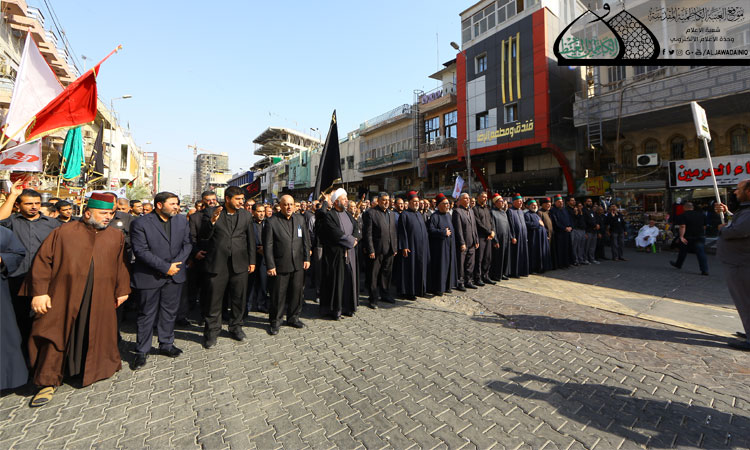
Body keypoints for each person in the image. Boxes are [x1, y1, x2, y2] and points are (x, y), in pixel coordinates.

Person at [22, 193, 130, 407]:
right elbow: (42, 262)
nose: (108, 217)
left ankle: (92, 370)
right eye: (103, 213)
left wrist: (122, 290)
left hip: (100, 296)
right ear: (88, 213)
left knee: (96, 332)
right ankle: (47, 382)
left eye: (110, 213)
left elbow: (120, 265)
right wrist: (40, 292)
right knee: (54, 333)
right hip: (64, 295)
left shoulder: (115, 236)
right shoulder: (63, 232)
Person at [130, 192, 192, 370]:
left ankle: (166, 344)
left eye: (177, 203)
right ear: (159, 205)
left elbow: (188, 244)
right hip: (149, 276)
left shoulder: (181, 221)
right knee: (146, 314)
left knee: (169, 312)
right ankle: (142, 350)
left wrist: (175, 265)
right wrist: (165, 267)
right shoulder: (140, 223)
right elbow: (140, 251)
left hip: (175, 275)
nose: (176, 207)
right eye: (172, 204)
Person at [0, 183, 60, 358]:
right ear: (18, 205)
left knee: (41, 321)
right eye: (28, 203)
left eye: (37, 203)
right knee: (18, 321)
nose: (34, 207)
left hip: (44, 282)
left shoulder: (52, 224)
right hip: (16, 279)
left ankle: (39, 358)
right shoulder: (11, 222)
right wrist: (12, 195)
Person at [199, 186, 256, 348]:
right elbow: (203, 236)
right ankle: (211, 332)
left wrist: (252, 261)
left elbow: (250, 239)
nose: (241, 202)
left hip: (240, 263)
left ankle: (236, 327)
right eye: (238, 199)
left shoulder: (246, 215)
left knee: (238, 298)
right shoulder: (212, 213)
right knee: (214, 300)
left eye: (242, 199)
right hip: (217, 264)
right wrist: (212, 221)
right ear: (227, 199)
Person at [263, 195, 310, 335]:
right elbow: (268, 246)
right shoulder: (272, 221)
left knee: (297, 293)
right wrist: (270, 265)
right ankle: (275, 321)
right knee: (278, 295)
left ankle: (293, 318)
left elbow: (306, 241)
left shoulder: (300, 219)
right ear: (280, 206)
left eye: (291, 204)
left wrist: (307, 258)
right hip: (280, 265)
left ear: (295, 206)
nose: (289, 207)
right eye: (286, 204)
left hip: (298, 264)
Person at [715, 179, 750, 351]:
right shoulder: (745, 210)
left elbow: (738, 230)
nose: (735, 192)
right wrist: (727, 212)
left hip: (741, 264)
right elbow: (738, 223)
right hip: (739, 262)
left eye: (738, 189)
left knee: (745, 300)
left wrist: (722, 229)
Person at [318, 189, 360, 319]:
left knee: (349, 281)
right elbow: (335, 233)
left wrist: (355, 239)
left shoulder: (348, 214)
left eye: (346, 199)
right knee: (337, 282)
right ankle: (336, 310)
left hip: (350, 254)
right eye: (344, 199)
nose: (347, 201)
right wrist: (351, 241)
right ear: (336, 202)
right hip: (336, 255)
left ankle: (348, 307)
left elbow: (356, 227)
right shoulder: (329, 216)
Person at [0, 226, 27, 391]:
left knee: (5, 337)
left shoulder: (3, 232)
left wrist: (2, 259)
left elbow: (18, 252)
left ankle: (7, 379)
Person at [362, 192, 397, 309]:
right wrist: (371, 249)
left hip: (390, 249)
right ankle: (373, 298)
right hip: (377, 250)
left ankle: (385, 294)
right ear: (378, 201)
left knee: (387, 273)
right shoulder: (371, 213)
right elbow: (368, 234)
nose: (386, 202)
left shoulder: (391, 213)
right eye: (384, 200)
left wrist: (394, 247)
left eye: (388, 200)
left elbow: (393, 231)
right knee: (373, 275)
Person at [397, 191, 430, 300]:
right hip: (411, 247)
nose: (417, 203)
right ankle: (409, 292)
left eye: (417, 201)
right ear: (409, 202)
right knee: (410, 269)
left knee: (420, 268)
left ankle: (420, 290)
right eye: (414, 201)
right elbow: (402, 232)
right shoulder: (404, 215)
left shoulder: (419, 214)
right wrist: (404, 246)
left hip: (421, 247)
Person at [427, 193, 456, 295]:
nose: (448, 205)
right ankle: (439, 288)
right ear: (439, 205)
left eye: (448, 203)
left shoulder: (448, 215)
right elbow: (431, 230)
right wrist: (443, 232)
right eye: (445, 204)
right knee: (441, 267)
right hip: (440, 247)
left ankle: (447, 286)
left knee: (449, 265)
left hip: (449, 245)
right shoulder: (434, 216)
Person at [669, 202, 708, 275]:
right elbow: (704, 226)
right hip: (699, 235)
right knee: (701, 253)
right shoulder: (701, 215)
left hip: (688, 236)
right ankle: (704, 270)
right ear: (692, 207)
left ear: (684, 208)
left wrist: (681, 236)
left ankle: (678, 264)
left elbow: (682, 226)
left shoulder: (683, 215)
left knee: (683, 251)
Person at [452, 193, 478, 291]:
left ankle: (469, 281)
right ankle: (460, 282)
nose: (468, 200)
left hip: (472, 242)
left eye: (468, 198)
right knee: (461, 264)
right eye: (465, 198)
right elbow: (458, 229)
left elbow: (474, 227)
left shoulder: (471, 211)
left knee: (470, 263)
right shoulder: (457, 211)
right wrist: (462, 242)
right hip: (463, 243)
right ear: (460, 200)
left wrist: (476, 240)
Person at [248, 203, 269, 313]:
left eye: (263, 211)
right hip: (251, 256)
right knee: (250, 283)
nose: (261, 214)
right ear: (253, 212)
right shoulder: (248, 223)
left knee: (263, 283)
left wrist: (265, 248)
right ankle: (248, 305)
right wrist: (256, 249)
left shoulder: (268, 223)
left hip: (264, 257)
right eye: (259, 211)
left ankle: (261, 304)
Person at [473, 191, 496, 286]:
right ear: (478, 197)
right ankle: (477, 278)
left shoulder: (487, 208)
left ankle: (485, 276)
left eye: (486, 197)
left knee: (487, 258)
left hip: (489, 237)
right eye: (483, 197)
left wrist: (493, 231)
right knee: (479, 258)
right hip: (481, 237)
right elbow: (478, 223)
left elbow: (491, 221)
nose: (485, 199)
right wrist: (489, 232)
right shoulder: (475, 209)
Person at [524, 199, 552, 274]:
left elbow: (542, 225)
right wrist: (538, 223)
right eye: (533, 205)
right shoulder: (527, 214)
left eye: (535, 205)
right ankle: (534, 269)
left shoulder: (536, 214)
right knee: (534, 253)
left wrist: (545, 234)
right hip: (534, 238)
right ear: (528, 206)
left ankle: (542, 268)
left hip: (541, 237)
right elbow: (527, 224)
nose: (534, 206)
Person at [507, 194, 529, 278]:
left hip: (523, 236)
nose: (520, 203)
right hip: (516, 237)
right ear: (514, 202)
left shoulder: (521, 211)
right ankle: (515, 272)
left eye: (521, 201)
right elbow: (510, 225)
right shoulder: (510, 211)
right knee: (516, 255)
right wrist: (512, 236)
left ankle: (523, 271)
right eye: (519, 201)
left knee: (523, 253)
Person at [490, 195, 511, 281]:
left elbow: (507, 226)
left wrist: (510, 236)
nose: (503, 203)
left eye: (503, 201)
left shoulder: (504, 212)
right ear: (495, 203)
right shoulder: (492, 212)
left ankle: (503, 273)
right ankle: (496, 275)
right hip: (499, 238)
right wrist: (495, 240)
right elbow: (493, 227)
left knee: (505, 256)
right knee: (498, 258)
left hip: (506, 238)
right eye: (500, 201)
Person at [550, 195, 574, 269]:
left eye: (562, 202)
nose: (561, 203)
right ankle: (561, 264)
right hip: (559, 233)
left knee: (567, 248)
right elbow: (556, 222)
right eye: (559, 202)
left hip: (567, 232)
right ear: (555, 202)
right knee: (560, 249)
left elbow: (570, 219)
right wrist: (564, 228)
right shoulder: (553, 211)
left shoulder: (564, 210)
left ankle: (567, 263)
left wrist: (570, 226)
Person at [537, 198, 556, 270]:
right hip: (545, 235)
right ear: (543, 204)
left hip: (552, 235)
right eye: (547, 204)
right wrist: (545, 234)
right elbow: (541, 225)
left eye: (549, 204)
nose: (548, 205)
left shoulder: (549, 212)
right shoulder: (540, 212)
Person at [570, 199, 587, 265]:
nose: (580, 207)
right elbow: (575, 222)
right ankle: (576, 260)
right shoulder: (575, 213)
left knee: (582, 246)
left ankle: (581, 259)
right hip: (577, 230)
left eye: (581, 206)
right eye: (579, 206)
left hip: (583, 230)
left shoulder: (583, 212)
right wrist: (576, 214)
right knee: (576, 246)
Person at [583, 198, 599, 264]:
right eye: (588, 201)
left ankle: (592, 259)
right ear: (585, 202)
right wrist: (594, 225)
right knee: (587, 246)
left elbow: (595, 219)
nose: (590, 202)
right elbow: (586, 221)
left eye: (591, 201)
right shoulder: (584, 211)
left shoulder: (592, 211)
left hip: (594, 231)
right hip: (588, 231)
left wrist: (597, 224)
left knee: (592, 246)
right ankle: (585, 259)